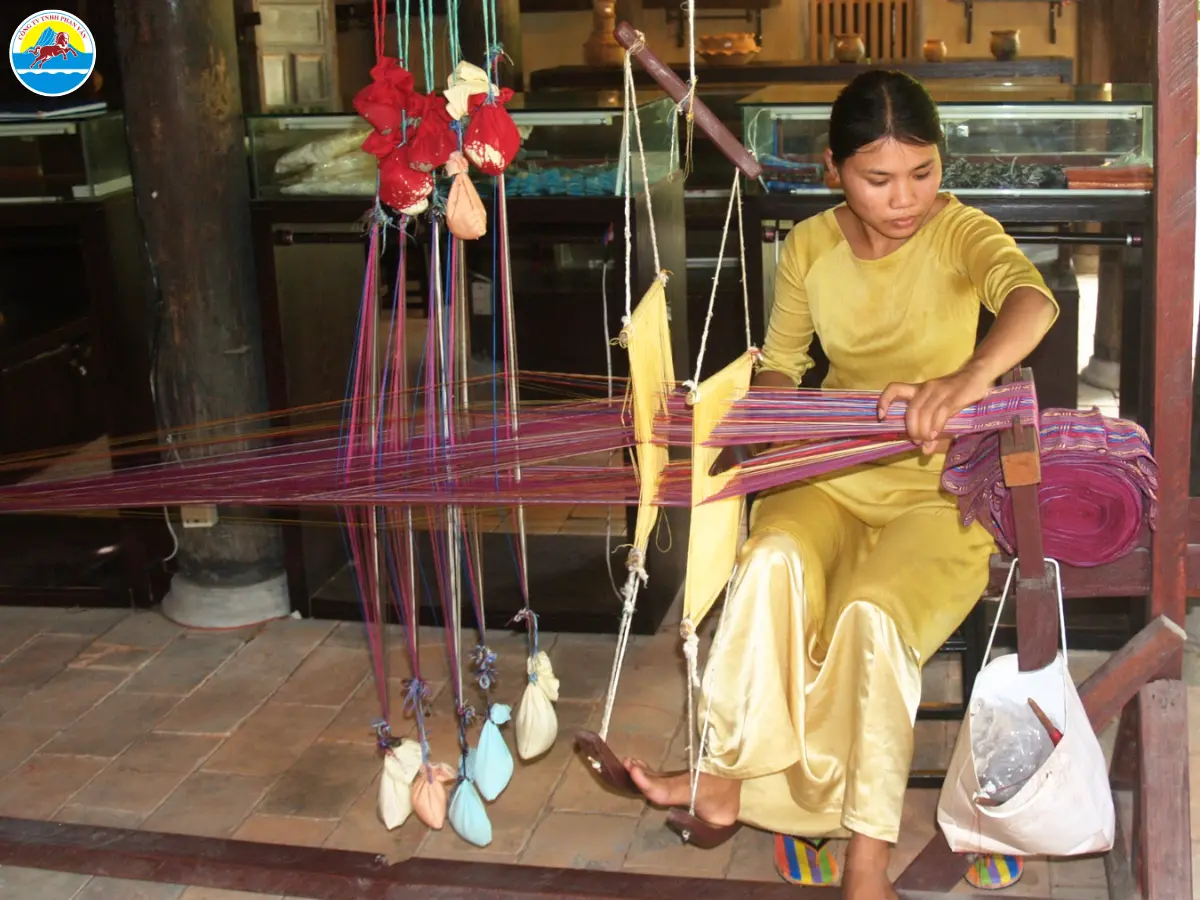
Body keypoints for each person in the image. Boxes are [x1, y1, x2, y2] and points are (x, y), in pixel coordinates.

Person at [621, 70, 1059, 899]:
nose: (906, 199)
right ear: (834, 171)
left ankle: (866, 861)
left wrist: (964, 382)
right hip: (829, 474)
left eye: (923, 173)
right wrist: (751, 421)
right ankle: (726, 778)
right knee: (771, 563)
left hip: (942, 492)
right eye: (879, 179)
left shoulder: (962, 234)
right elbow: (784, 368)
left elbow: (1032, 302)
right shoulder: (811, 247)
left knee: (871, 617)